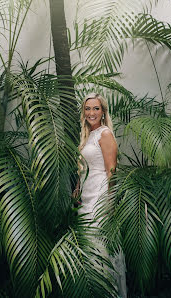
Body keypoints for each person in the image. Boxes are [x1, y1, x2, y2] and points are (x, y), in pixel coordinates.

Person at [73, 93, 127, 297]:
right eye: (88, 109)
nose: (91, 113)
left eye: (96, 108)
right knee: (89, 245)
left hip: (100, 196)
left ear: (103, 112)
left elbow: (111, 171)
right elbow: (85, 166)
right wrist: (78, 186)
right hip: (86, 195)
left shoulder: (105, 134)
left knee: (100, 245)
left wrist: (110, 202)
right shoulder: (88, 135)